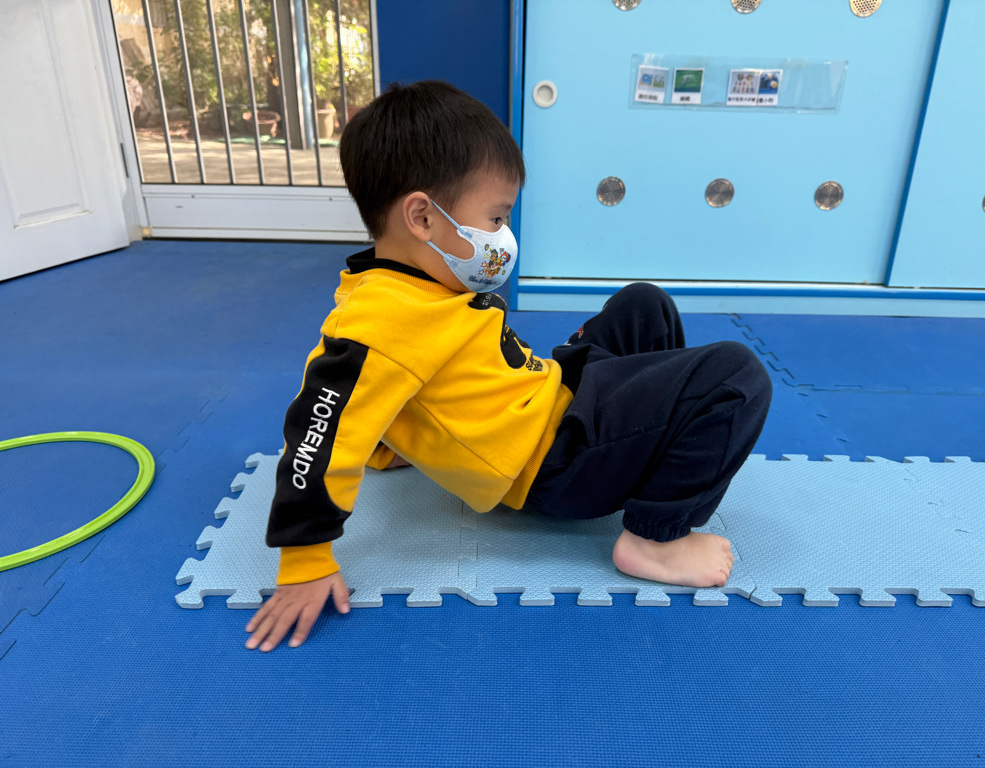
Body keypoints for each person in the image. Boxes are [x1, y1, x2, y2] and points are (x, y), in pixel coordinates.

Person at [245, 81, 772, 652]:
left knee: (644, 305)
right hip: (556, 461)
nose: (502, 236)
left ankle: (654, 450)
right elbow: (320, 432)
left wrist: (395, 440)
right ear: (422, 217)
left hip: (549, 396)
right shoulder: (380, 322)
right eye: (495, 218)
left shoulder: (413, 282)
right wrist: (305, 560)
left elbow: (403, 386)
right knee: (736, 376)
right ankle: (655, 539)